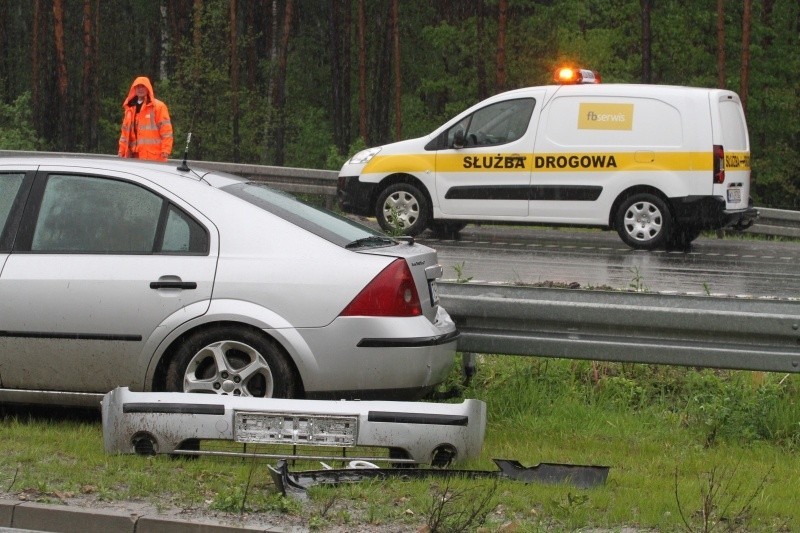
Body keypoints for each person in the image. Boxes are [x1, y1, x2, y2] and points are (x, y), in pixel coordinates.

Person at [118, 76, 173, 162]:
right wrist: (121, 150)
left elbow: (166, 132)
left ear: (148, 88)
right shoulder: (129, 109)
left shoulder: (158, 107)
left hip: (153, 157)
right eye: (138, 86)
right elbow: (124, 134)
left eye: (143, 86)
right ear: (134, 89)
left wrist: (166, 150)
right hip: (132, 156)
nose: (140, 89)